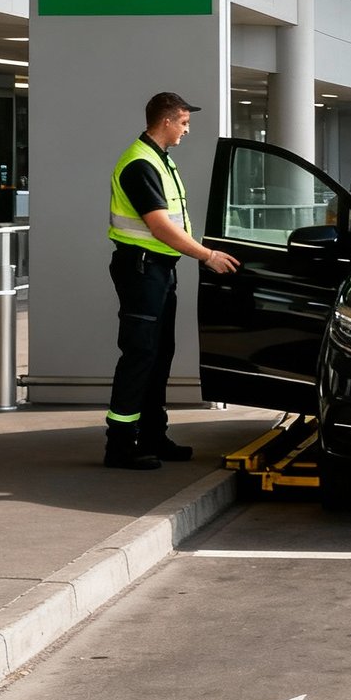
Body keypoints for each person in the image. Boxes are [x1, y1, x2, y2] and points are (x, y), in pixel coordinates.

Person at [104, 92, 240, 470]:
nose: (187, 130)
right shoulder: (140, 164)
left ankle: (152, 435)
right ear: (165, 121)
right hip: (142, 269)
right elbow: (161, 226)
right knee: (139, 354)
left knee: (159, 353)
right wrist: (207, 256)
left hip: (159, 270)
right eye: (184, 122)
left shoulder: (160, 160)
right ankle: (119, 445)